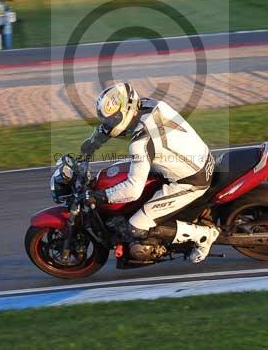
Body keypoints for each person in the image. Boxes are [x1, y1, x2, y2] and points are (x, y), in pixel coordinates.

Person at [81, 83, 219, 263]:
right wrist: (92, 144)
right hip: (198, 159)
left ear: (126, 111)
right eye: (108, 119)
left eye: (113, 118)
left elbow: (132, 190)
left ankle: (205, 235)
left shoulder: (140, 144)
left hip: (191, 180)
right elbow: (110, 128)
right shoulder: (149, 105)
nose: (109, 122)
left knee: (136, 227)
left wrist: (99, 196)